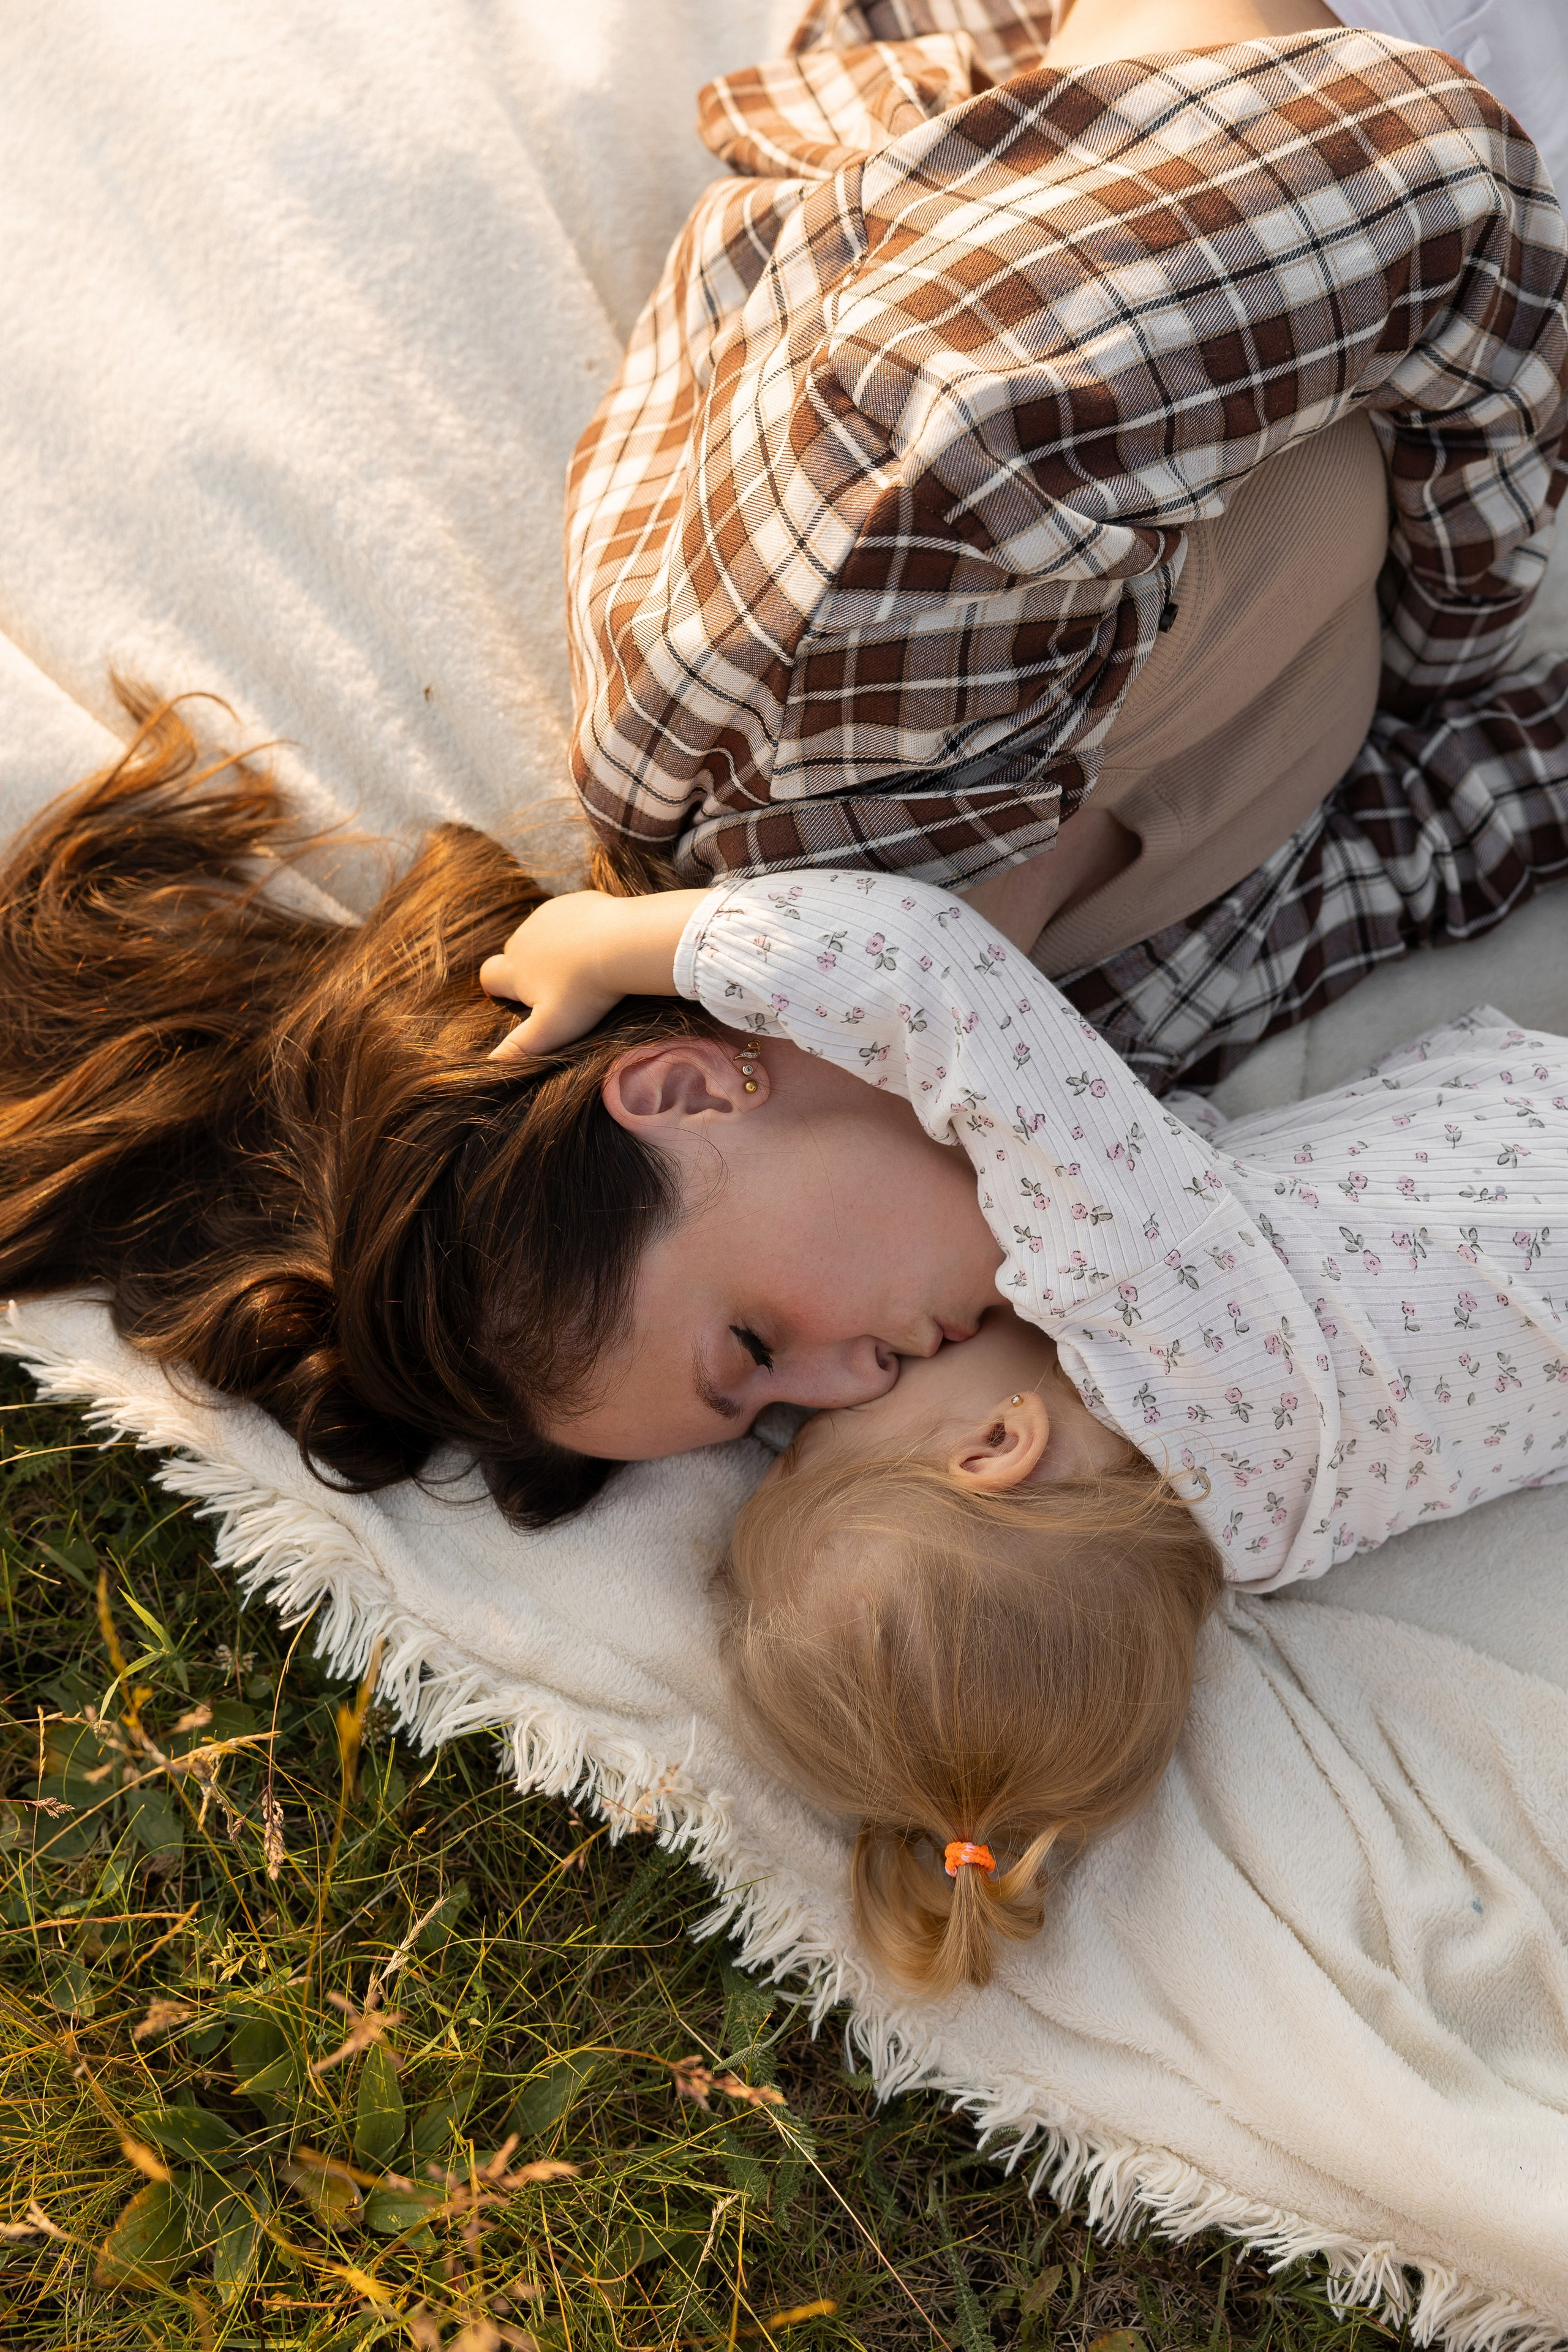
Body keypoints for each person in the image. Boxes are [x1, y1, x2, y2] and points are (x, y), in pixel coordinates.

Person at [483, 862, 1568, 1992]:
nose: (855, 1376)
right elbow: (925, 967)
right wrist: (612, 944)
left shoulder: (1264, 1538)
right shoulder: (1146, 1300)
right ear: (998, 1446)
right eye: (809, 1437)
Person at [566, 0, 1568, 1091]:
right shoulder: (1084, 1050)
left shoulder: (817, 688)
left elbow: (1426, 164)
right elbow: (1429, 833)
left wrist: (1446, 646)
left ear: (685, 1093)